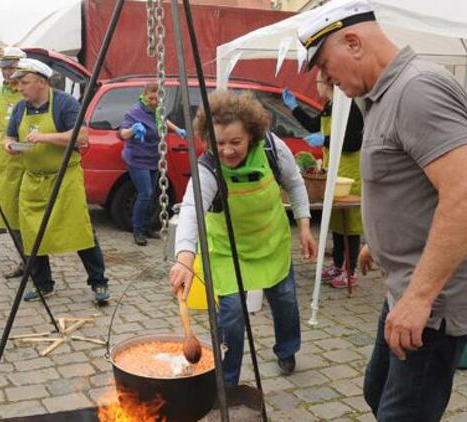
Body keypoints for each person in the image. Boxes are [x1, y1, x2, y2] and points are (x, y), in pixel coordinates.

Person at [298, 0, 467, 419]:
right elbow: (406, 183)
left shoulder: (417, 89)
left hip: (430, 302)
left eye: (323, 65)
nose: (324, 79)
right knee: (377, 392)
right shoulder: (379, 96)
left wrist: (420, 297)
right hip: (402, 288)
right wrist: (378, 241)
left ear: (353, 41)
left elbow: (463, 192)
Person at [169, 90, 318, 383]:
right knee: (232, 314)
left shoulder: (273, 148)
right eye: (219, 143)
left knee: (285, 301)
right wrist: (185, 258)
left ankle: (287, 349)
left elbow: (295, 185)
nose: (227, 150)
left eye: (235, 142)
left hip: (270, 243)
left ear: (251, 134)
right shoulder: (209, 167)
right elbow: (192, 209)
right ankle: (228, 377)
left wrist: (304, 226)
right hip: (228, 250)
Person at [3, 58, 111, 304]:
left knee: (80, 229)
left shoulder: (65, 103)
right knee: (32, 233)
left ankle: (99, 282)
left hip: (65, 178)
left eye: (25, 82)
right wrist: (9, 145)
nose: (20, 88)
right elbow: (8, 135)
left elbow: (82, 137)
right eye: (18, 83)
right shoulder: (21, 108)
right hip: (33, 180)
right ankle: (43, 285)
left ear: (41, 82)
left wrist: (44, 137)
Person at [282, 72, 364, 288]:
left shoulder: (350, 108)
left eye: (318, 81)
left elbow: (354, 142)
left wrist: (325, 139)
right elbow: (312, 124)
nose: (316, 85)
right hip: (334, 170)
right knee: (335, 221)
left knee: (350, 224)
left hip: (350, 174)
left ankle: (350, 271)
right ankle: (337, 265)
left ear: (328, 83)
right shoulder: (329, 106)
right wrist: (293, 107)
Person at [119, 82, 187, 246]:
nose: (153, 101)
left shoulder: (157, 110)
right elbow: (123, 133)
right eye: (151, 98)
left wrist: (177, 129)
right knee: (145, 193)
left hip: (152, 158)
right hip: (137, 159)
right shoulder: (135, 112)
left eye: (157, 99)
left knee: (154, 194)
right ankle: (138, 231)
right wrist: (134, 130)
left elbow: (163, 120)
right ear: (144, 95)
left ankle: (147, 227)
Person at [0, 47, 27, 278]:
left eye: (12, 68)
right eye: (5, 68)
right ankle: (23, 259)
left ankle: (36, 263)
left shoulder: (27, 91)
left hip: (30, 161)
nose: (8, 73)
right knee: (10, 215)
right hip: (6, 164)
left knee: (29, 214)